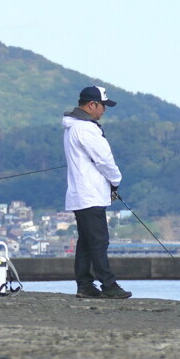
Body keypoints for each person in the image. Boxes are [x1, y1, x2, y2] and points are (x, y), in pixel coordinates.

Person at [63, 86, 131, 299]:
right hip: (90, 194)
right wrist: (116, 181)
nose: (104, 110)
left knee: (86, 242)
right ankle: (108, 285)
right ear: (92, 105)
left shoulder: (72, 127)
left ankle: (84, 285)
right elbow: (104, 160)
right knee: (99, 242)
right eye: (103, 106)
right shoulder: (85, 129)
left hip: (81, 195)